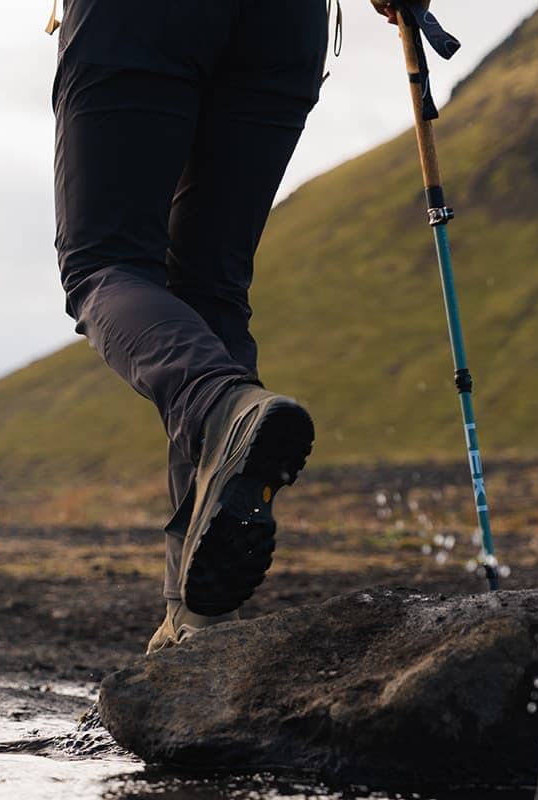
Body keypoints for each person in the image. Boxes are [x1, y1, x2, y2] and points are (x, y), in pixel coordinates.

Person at [49, 1, 408, 652]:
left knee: (104, 264)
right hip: (285, 23)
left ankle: (222, 408)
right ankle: (192, 622)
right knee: (212, 289)